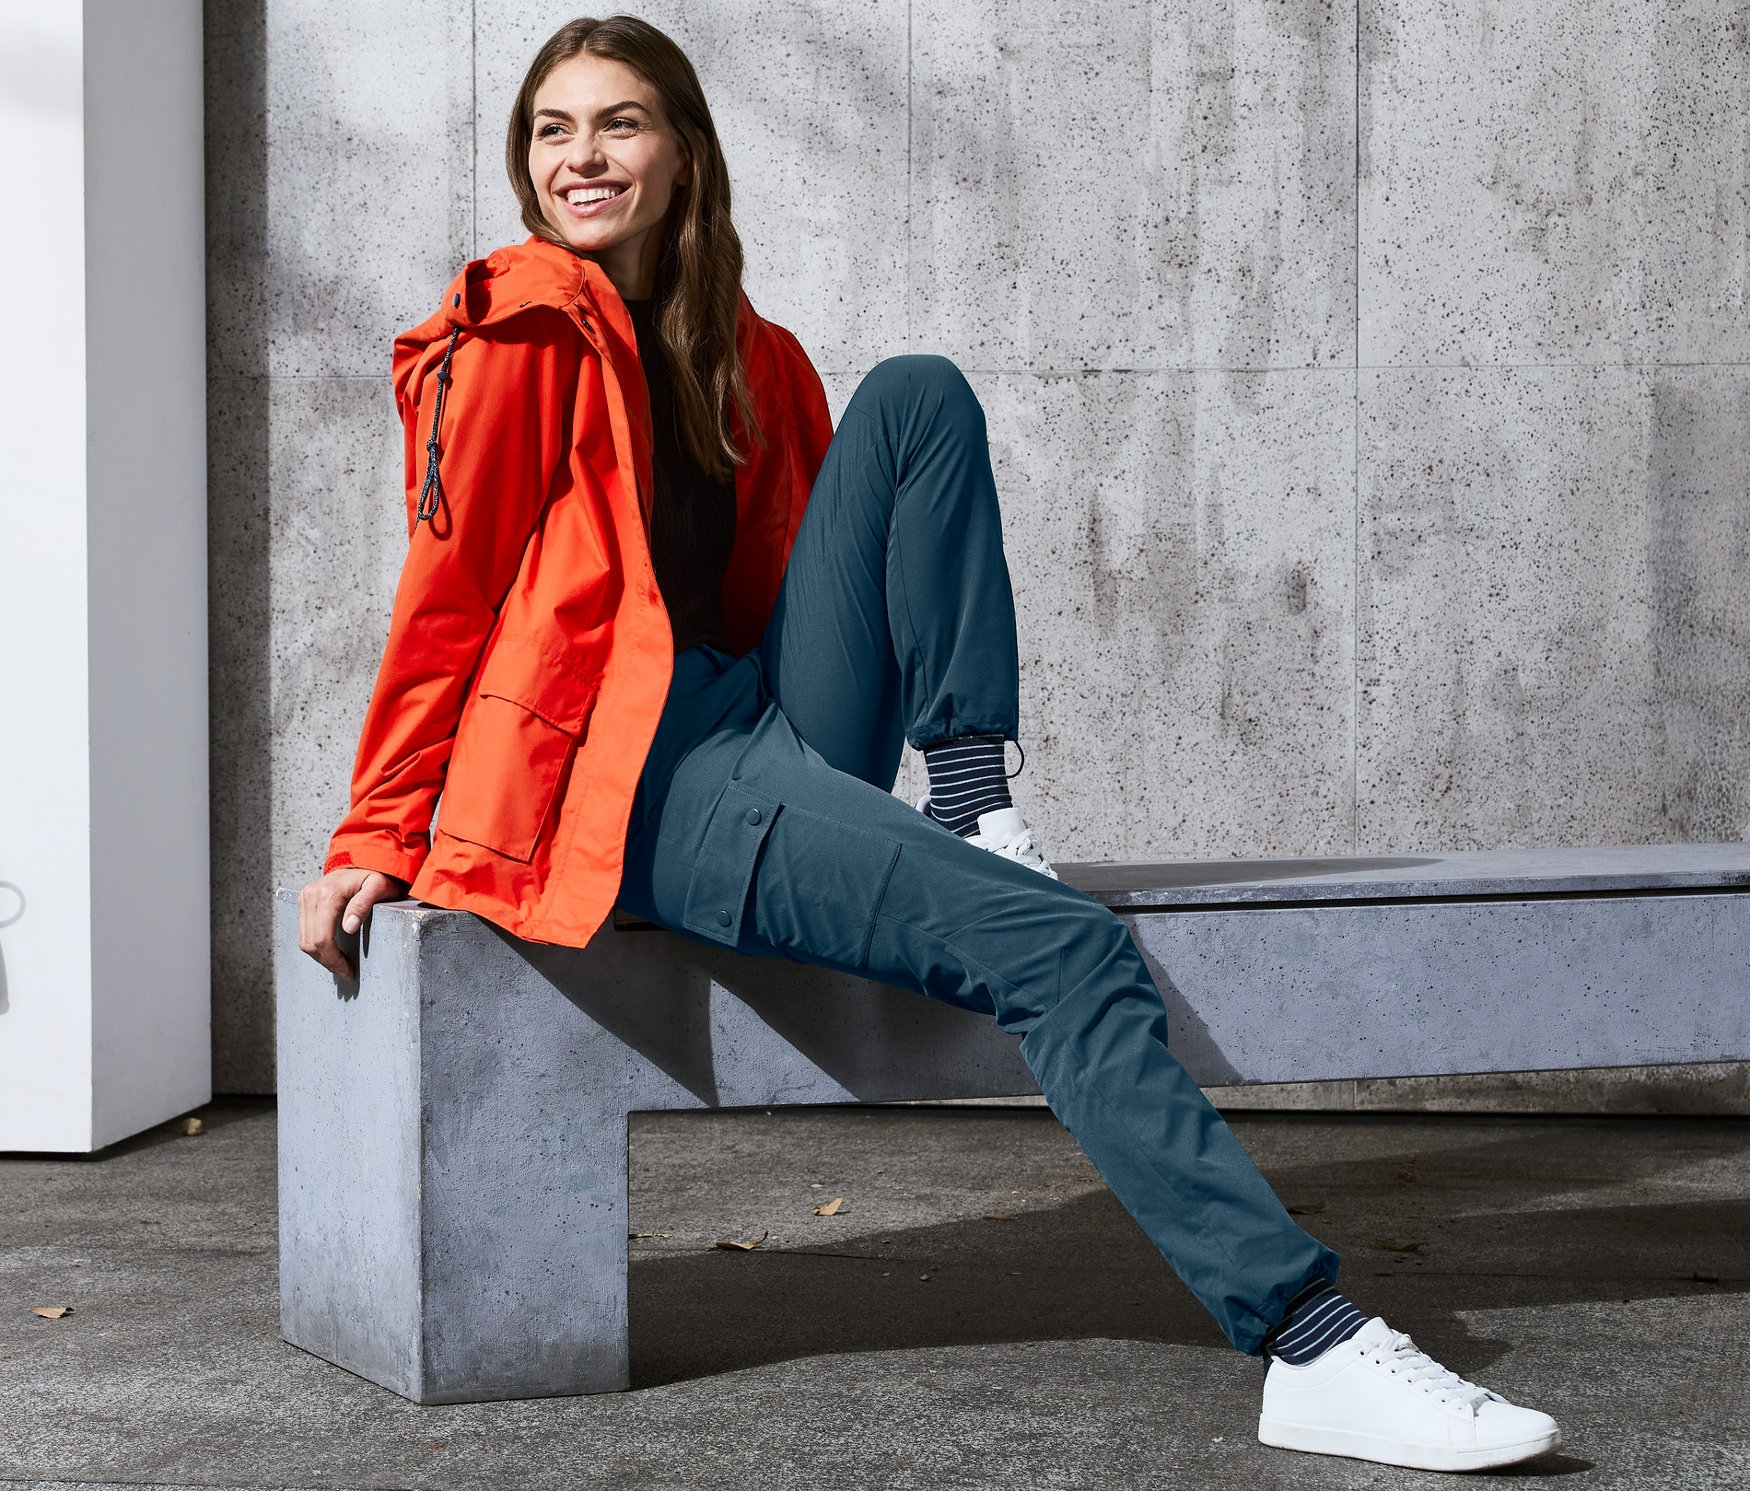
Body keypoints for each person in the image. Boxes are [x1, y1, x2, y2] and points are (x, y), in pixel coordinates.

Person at [298, 14, 1560, 1472]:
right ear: (526, 165)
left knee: (917, 392)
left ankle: (970, 792)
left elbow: (850, 572)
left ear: (683, 149)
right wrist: (373, 835)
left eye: (620, 122)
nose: (583, 156)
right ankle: (1309, 1345)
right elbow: (444, 601)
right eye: (551, 129)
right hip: (636, 785)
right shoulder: (518, 331)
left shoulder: (749, 357)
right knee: (1064, 949)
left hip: (760, 709)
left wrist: (869, 743)